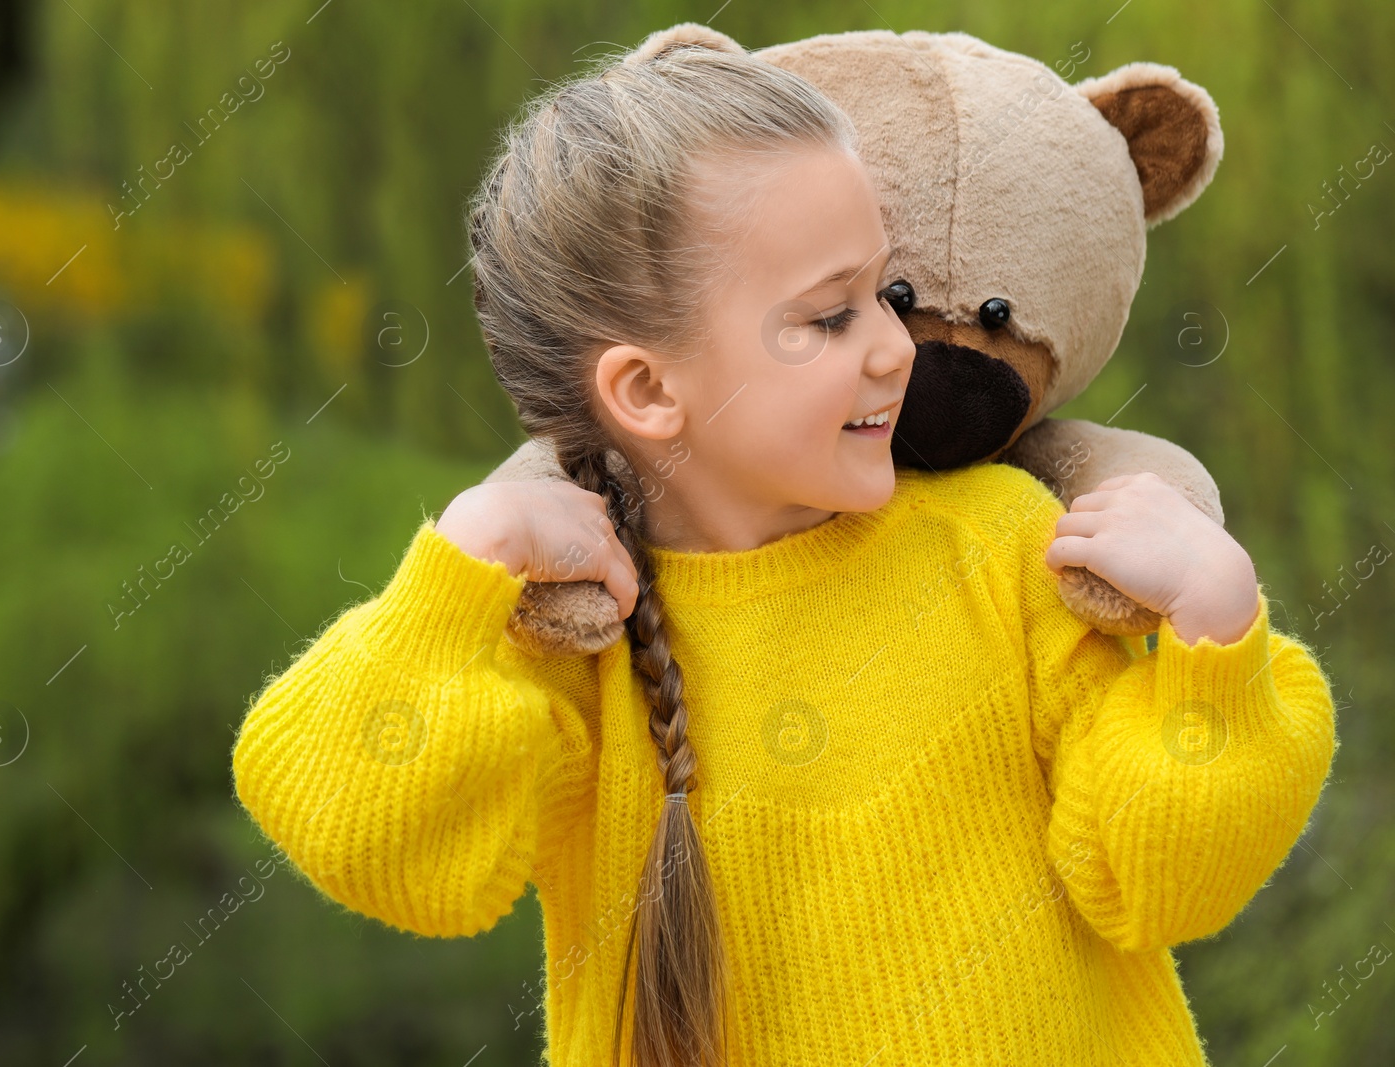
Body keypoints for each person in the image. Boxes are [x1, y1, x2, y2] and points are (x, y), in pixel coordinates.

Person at [230, 22, 1337, 1067]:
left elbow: (1162, 885)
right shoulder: (565, 630)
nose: (898, 348)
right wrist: (454, 573)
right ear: (648, 388)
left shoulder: (1004, 548)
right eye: (830, 314)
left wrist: (1216, 628)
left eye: (882, 292)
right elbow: (372, 843)